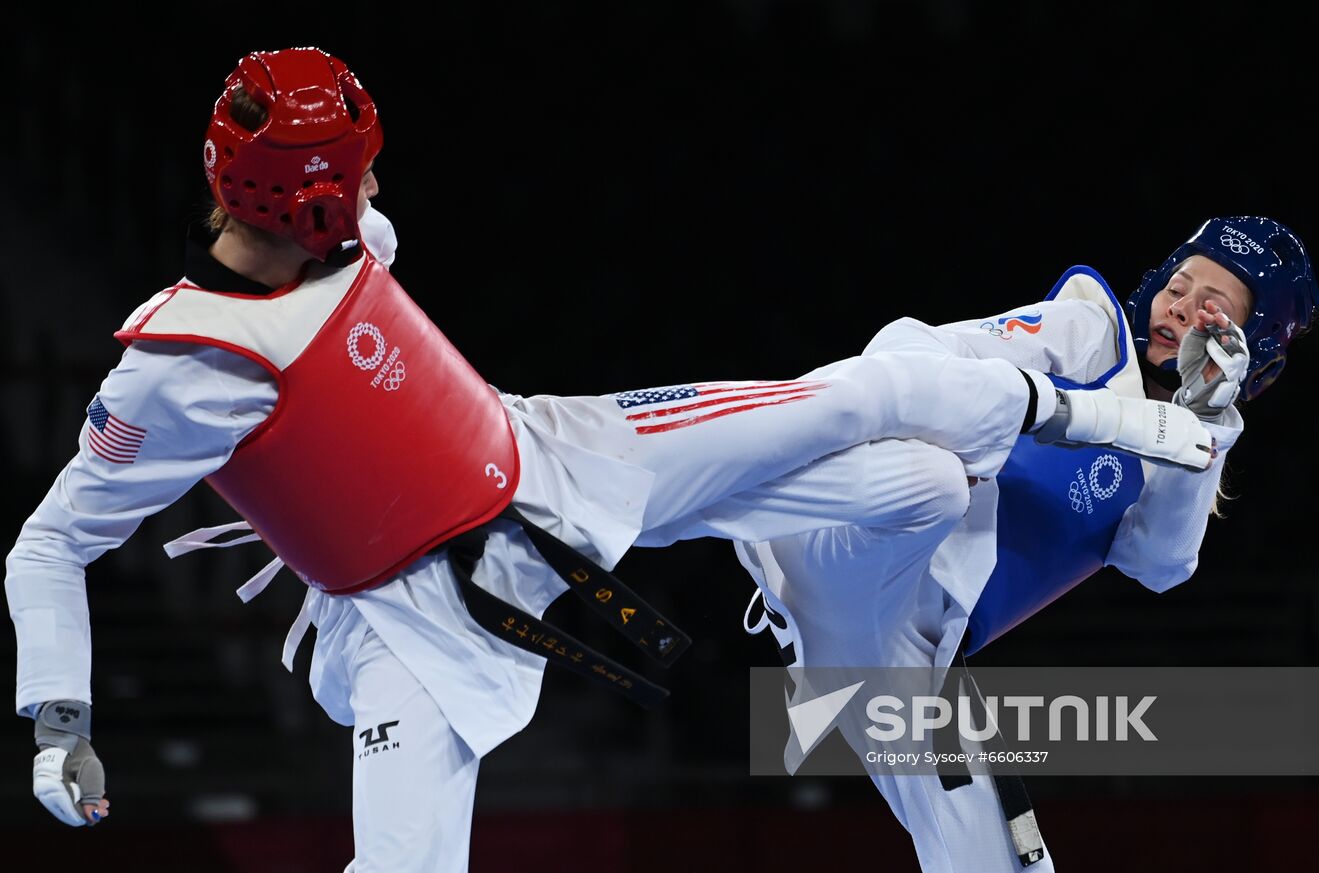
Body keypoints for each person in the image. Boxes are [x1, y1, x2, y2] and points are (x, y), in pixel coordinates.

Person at [3, 47, 1215, 871]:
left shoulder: (344, 232)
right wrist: (61, 717)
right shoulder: (179, 371)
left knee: (905, 454)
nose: (378, 185)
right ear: (310, 201)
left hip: (555, 454)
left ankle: (1119, 431)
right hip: (408, 614)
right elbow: (50, 543)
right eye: (359, 169)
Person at [730, 216, 1319, 871]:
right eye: (1178, 286)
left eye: (1211, 307)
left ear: (1250, 349)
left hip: (906, 648)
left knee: (1001, 864)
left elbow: (1163, 565)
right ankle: (665, 484)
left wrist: (1205, 422)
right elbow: (904, 349)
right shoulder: (1089, 338)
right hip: (852, 534)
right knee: (936, 483)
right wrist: (987, 425)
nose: (1182, 308)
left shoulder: (1169, 468)